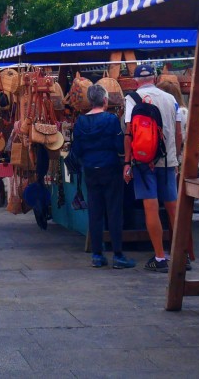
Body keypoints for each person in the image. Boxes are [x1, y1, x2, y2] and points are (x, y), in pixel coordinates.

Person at [123, 64, 182, 273]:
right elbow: (178, 134)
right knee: (173, 208)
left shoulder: (132, 99)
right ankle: (181, 255)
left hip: (143, 161)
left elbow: (129, 133)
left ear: (135, 81)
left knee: (151, 207)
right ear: (155, 79)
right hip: (168, 161)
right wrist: (175, 157)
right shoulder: (171, 99)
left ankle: (159, 257)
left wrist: (127, 163)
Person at [71, 83, 136, 269]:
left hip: (91, 169)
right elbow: (119, 145)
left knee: (95, 212)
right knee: (114, 211)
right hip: (110, 168)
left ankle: (97, 255)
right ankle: (118, 255)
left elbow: (77, 149)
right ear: (105, 100)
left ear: (90, 101)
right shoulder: (111, 120)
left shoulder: (80, 122)